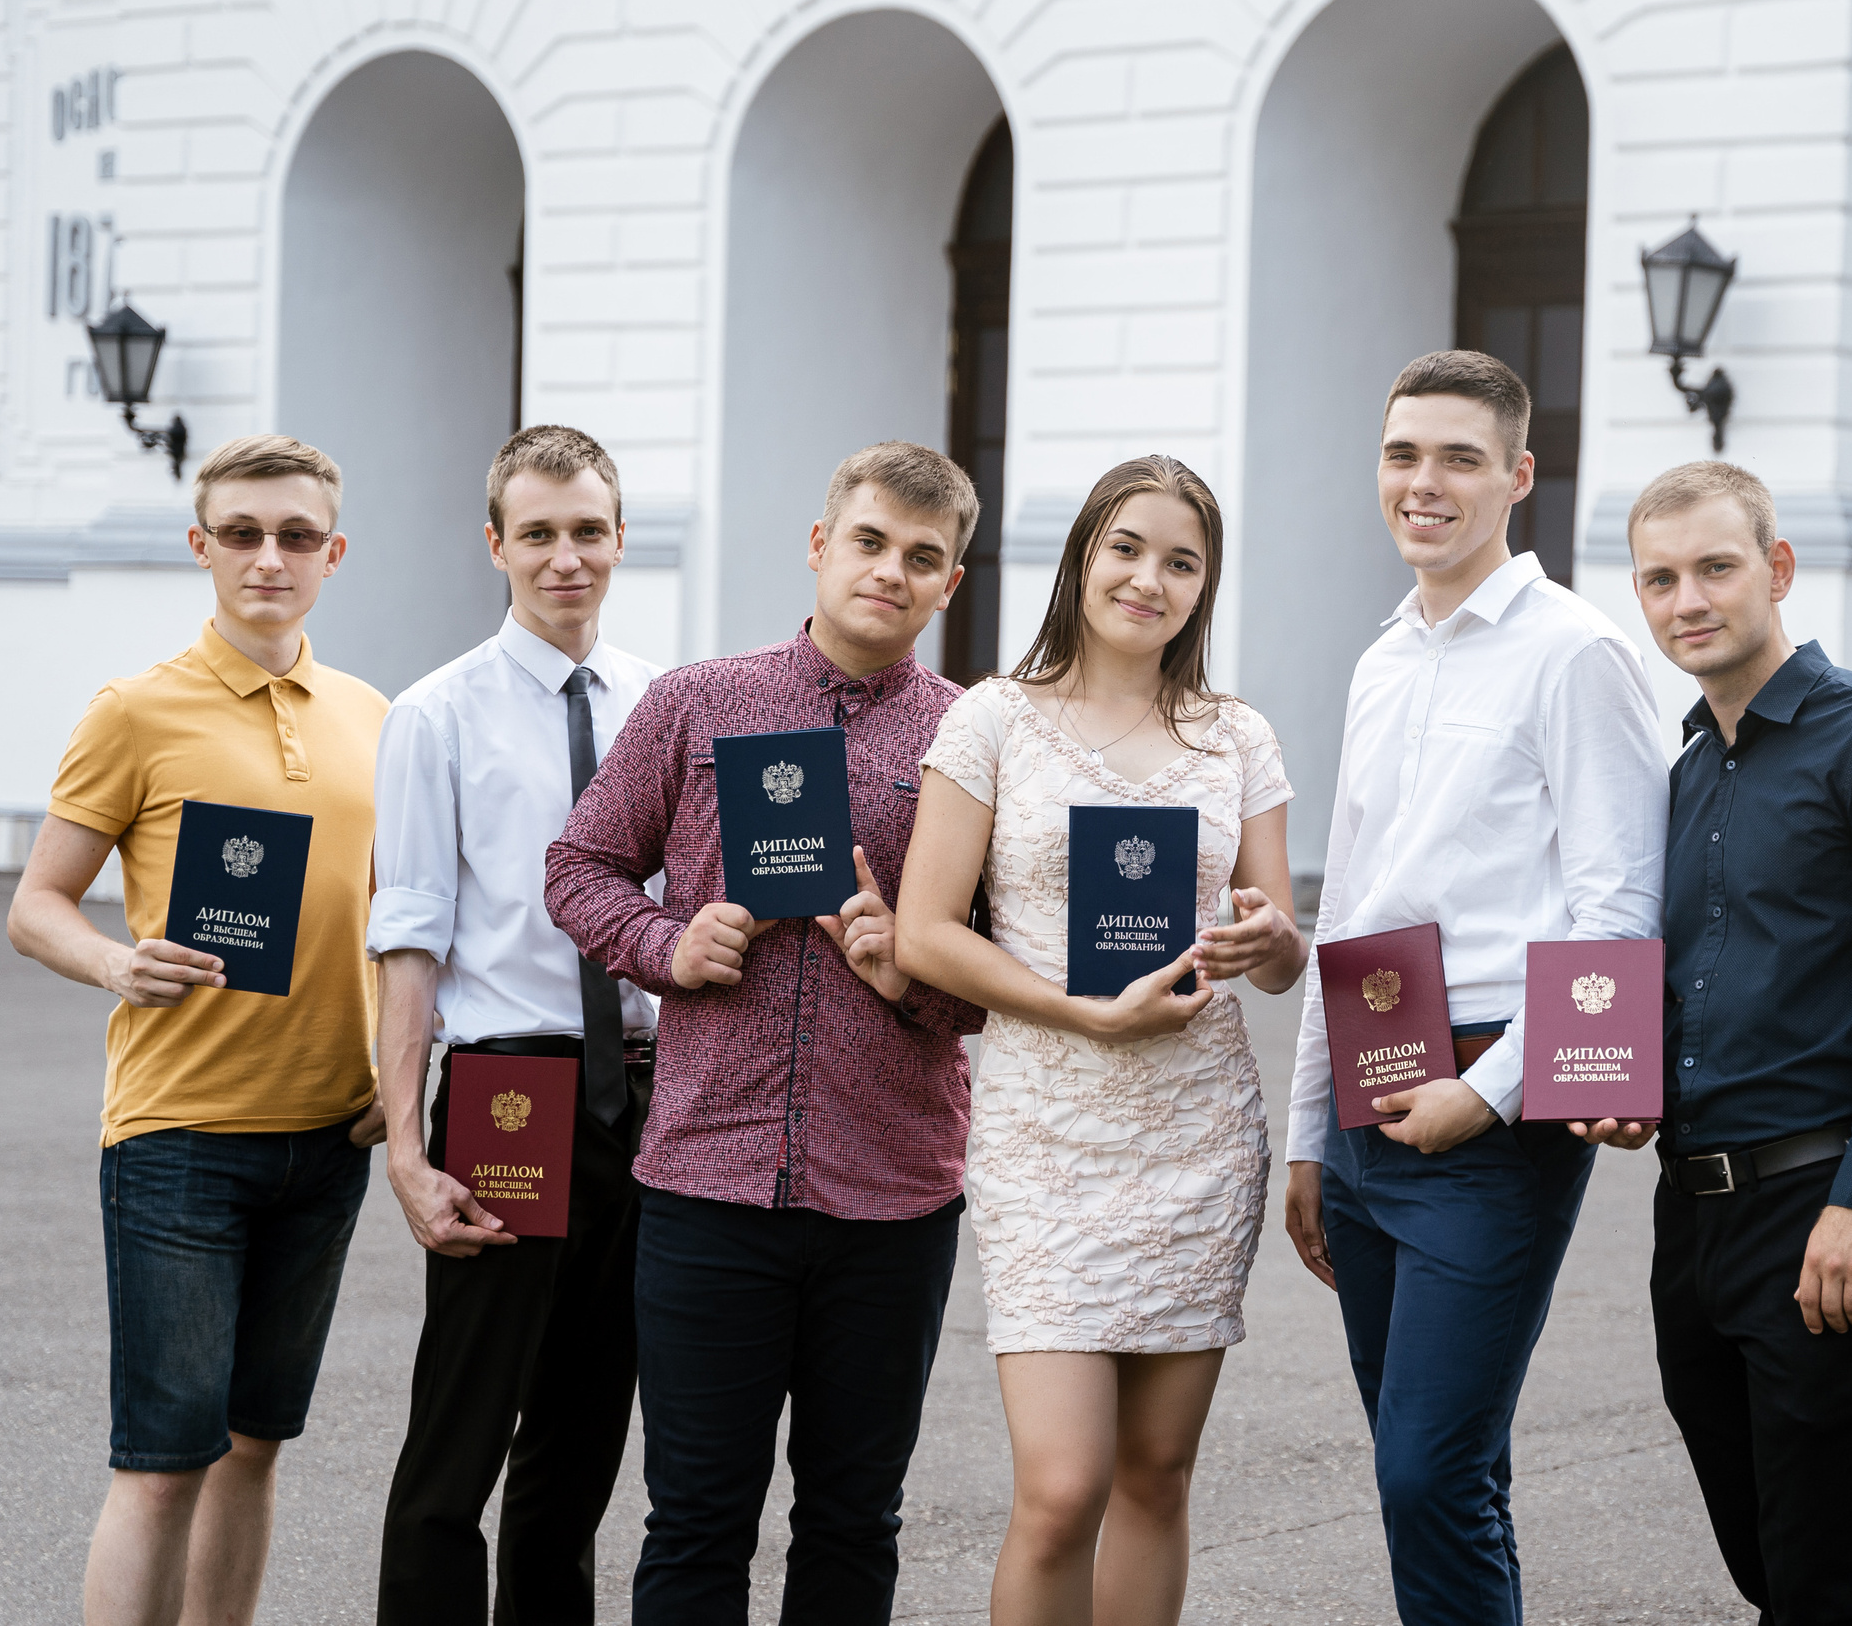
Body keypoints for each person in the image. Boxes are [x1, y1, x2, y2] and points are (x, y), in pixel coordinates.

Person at [544, 440, 988, 1625]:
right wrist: (666, 946)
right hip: (707, 1187)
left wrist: (911, 971)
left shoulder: (975, 741)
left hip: (893, 1197)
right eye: (870, 542)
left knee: (853, 1520)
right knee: (695, 1519)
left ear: (952, 581)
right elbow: (580, 868)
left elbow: (997, 976)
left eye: (923, 557)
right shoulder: (696, 702)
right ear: (819, 545)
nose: (890, 571)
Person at [1279, 351, 1665, 1626]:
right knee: (1440, 1466)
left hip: (1492, 1093)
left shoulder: (1576, 654)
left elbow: (1618, 920)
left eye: (1457, 457)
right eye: (1403, 455)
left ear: (1518, 476)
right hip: (1368, 1071)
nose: (1424, 484)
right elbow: (1349, 909)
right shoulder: (1381, 656)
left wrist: (1490, 1097)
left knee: (1425, 1469)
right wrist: (1305, 1138)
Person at [894, 452, 1307, 1626]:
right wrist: (1083, 1012)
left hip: (1196, 1134)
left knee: (1155, 1476)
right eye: (1128, 548)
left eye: (1183, 562)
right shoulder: (991, 718)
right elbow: (925, 931)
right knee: (1062, 1490)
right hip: (1046, 1132)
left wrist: (1266, 939)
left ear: (1204, 588)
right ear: (1082, 555)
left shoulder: (1236, 735)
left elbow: (1280, 951)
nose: (1149, 579)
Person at [5, 435, 387, 1626]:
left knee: (254, 1445)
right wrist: (121, 960)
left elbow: (391, 916)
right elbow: (34, 907)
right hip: (180, 1138)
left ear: (333, 553)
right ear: (202, 547)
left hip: (331, 1135)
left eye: (293, 536)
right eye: (241, 534)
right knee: (161, 1462)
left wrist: (398, 1073)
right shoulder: (134, 711)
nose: (268, 558)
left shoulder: (373, 715)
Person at [1604, 460, 1852, 1625]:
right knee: (1769, 1560)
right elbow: (1677, 973)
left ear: (1776, 569)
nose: (1688, 601)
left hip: (1828, 1206)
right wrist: (1626, 1078)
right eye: (1660, 579)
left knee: (1829, 1576)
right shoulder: (1678, 771)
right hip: (1695, 1215)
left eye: (1715, 567)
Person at [369, 425, 664, 1621]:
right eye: (536, 534)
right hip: (511, 1088)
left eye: (586, 531)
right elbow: (411, 936)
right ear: (495, 544)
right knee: (465, 1429)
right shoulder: (434, 715)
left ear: (619, 539)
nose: (564, 558)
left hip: (646, 1087)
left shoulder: (663, 702)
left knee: (584, 1436)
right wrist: (403, 1143)